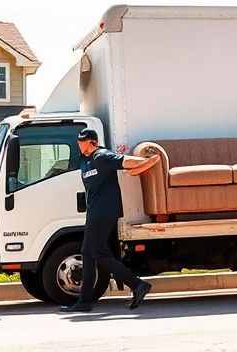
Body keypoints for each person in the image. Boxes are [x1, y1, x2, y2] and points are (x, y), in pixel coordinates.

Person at [60, 128, 162, 312]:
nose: (79, 144)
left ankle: (135, 285)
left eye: (82, 141)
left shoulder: (102, 156)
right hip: (95, 212)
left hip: (104, 212)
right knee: (92, 253)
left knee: (93, 252)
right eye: (78, 141)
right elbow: (131, 171)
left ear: (92, 142)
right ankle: (89, 299)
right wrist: (141, 166)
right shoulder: (86, 160)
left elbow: (127, 162)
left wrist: (148, 161)